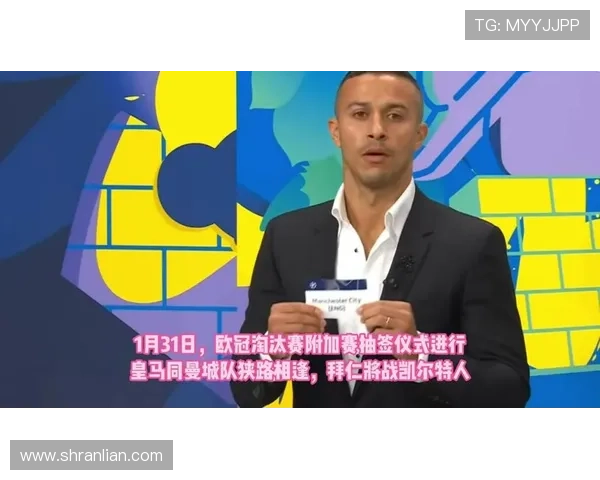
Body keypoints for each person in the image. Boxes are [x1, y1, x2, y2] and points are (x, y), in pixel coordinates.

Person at [230, 67, 530, 408]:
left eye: (395, 116)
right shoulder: (286, 237)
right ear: (336, 131)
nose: (377, 130)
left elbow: (509, 388)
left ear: (419, 134)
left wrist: (421, 357)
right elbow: (246, 392)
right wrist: (272, 351)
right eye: (360, 114)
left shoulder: (472, 243)